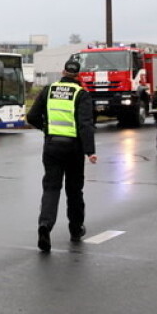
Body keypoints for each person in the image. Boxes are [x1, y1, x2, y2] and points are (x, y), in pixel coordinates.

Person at [27, 60, 98, 253]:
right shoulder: (81, 94)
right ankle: (75, 229)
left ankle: (45, 226)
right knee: (74, 191)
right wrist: (90, 151)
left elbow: (32, 117)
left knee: (51, 188)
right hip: (73, 148)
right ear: (78, 75)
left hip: (51, 146)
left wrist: (47, 129)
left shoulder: (49, 90)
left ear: (63, 72)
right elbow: (85, 125)